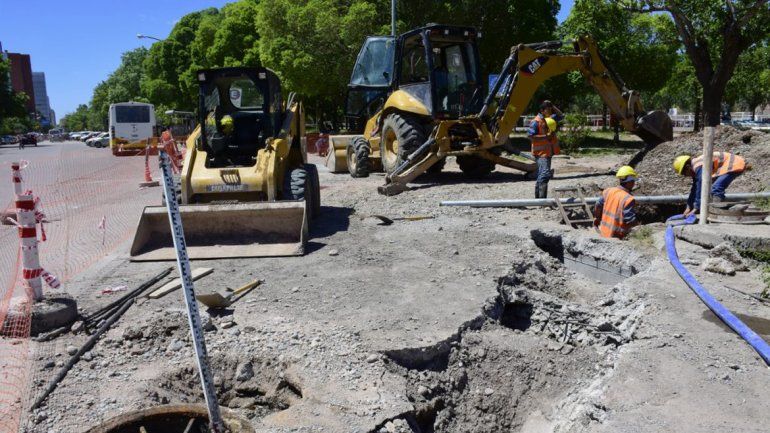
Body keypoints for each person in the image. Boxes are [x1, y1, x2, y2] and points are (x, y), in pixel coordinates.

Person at [673, 152, 747, 217]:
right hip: (730, 164)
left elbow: (701, 186)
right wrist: (689, 206)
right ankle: (715, 211)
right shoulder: (696, 167)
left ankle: (716, 212)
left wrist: (696, 208)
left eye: (684, 174)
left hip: (734, 163)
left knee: (716, 188)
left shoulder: (698, 166)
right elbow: (695, 189)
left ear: (687, 167)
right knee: (715, 188)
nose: (685, 176)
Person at [527, 100, 563, 198]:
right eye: (548, 109)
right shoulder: (536, 121)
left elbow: (561, 116)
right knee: (545, 174)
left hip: (548, 152)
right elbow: (530, 136)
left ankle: (538, 199)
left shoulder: (549, 119)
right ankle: (542, 199)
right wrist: (546, 137)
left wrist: (552, 105)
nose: (551, 111)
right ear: (542, 110)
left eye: (551, 110)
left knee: (542, 174)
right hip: (540, 153)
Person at [593, 166, 640, 239]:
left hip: (604, 233)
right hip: (617, 237)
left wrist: (597, 218)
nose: (634, 183)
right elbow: (630, 220)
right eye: (633, 181)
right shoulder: (628, 199)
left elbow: (598, 205)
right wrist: (640, 228)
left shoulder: (608, 191)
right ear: (629, 181)